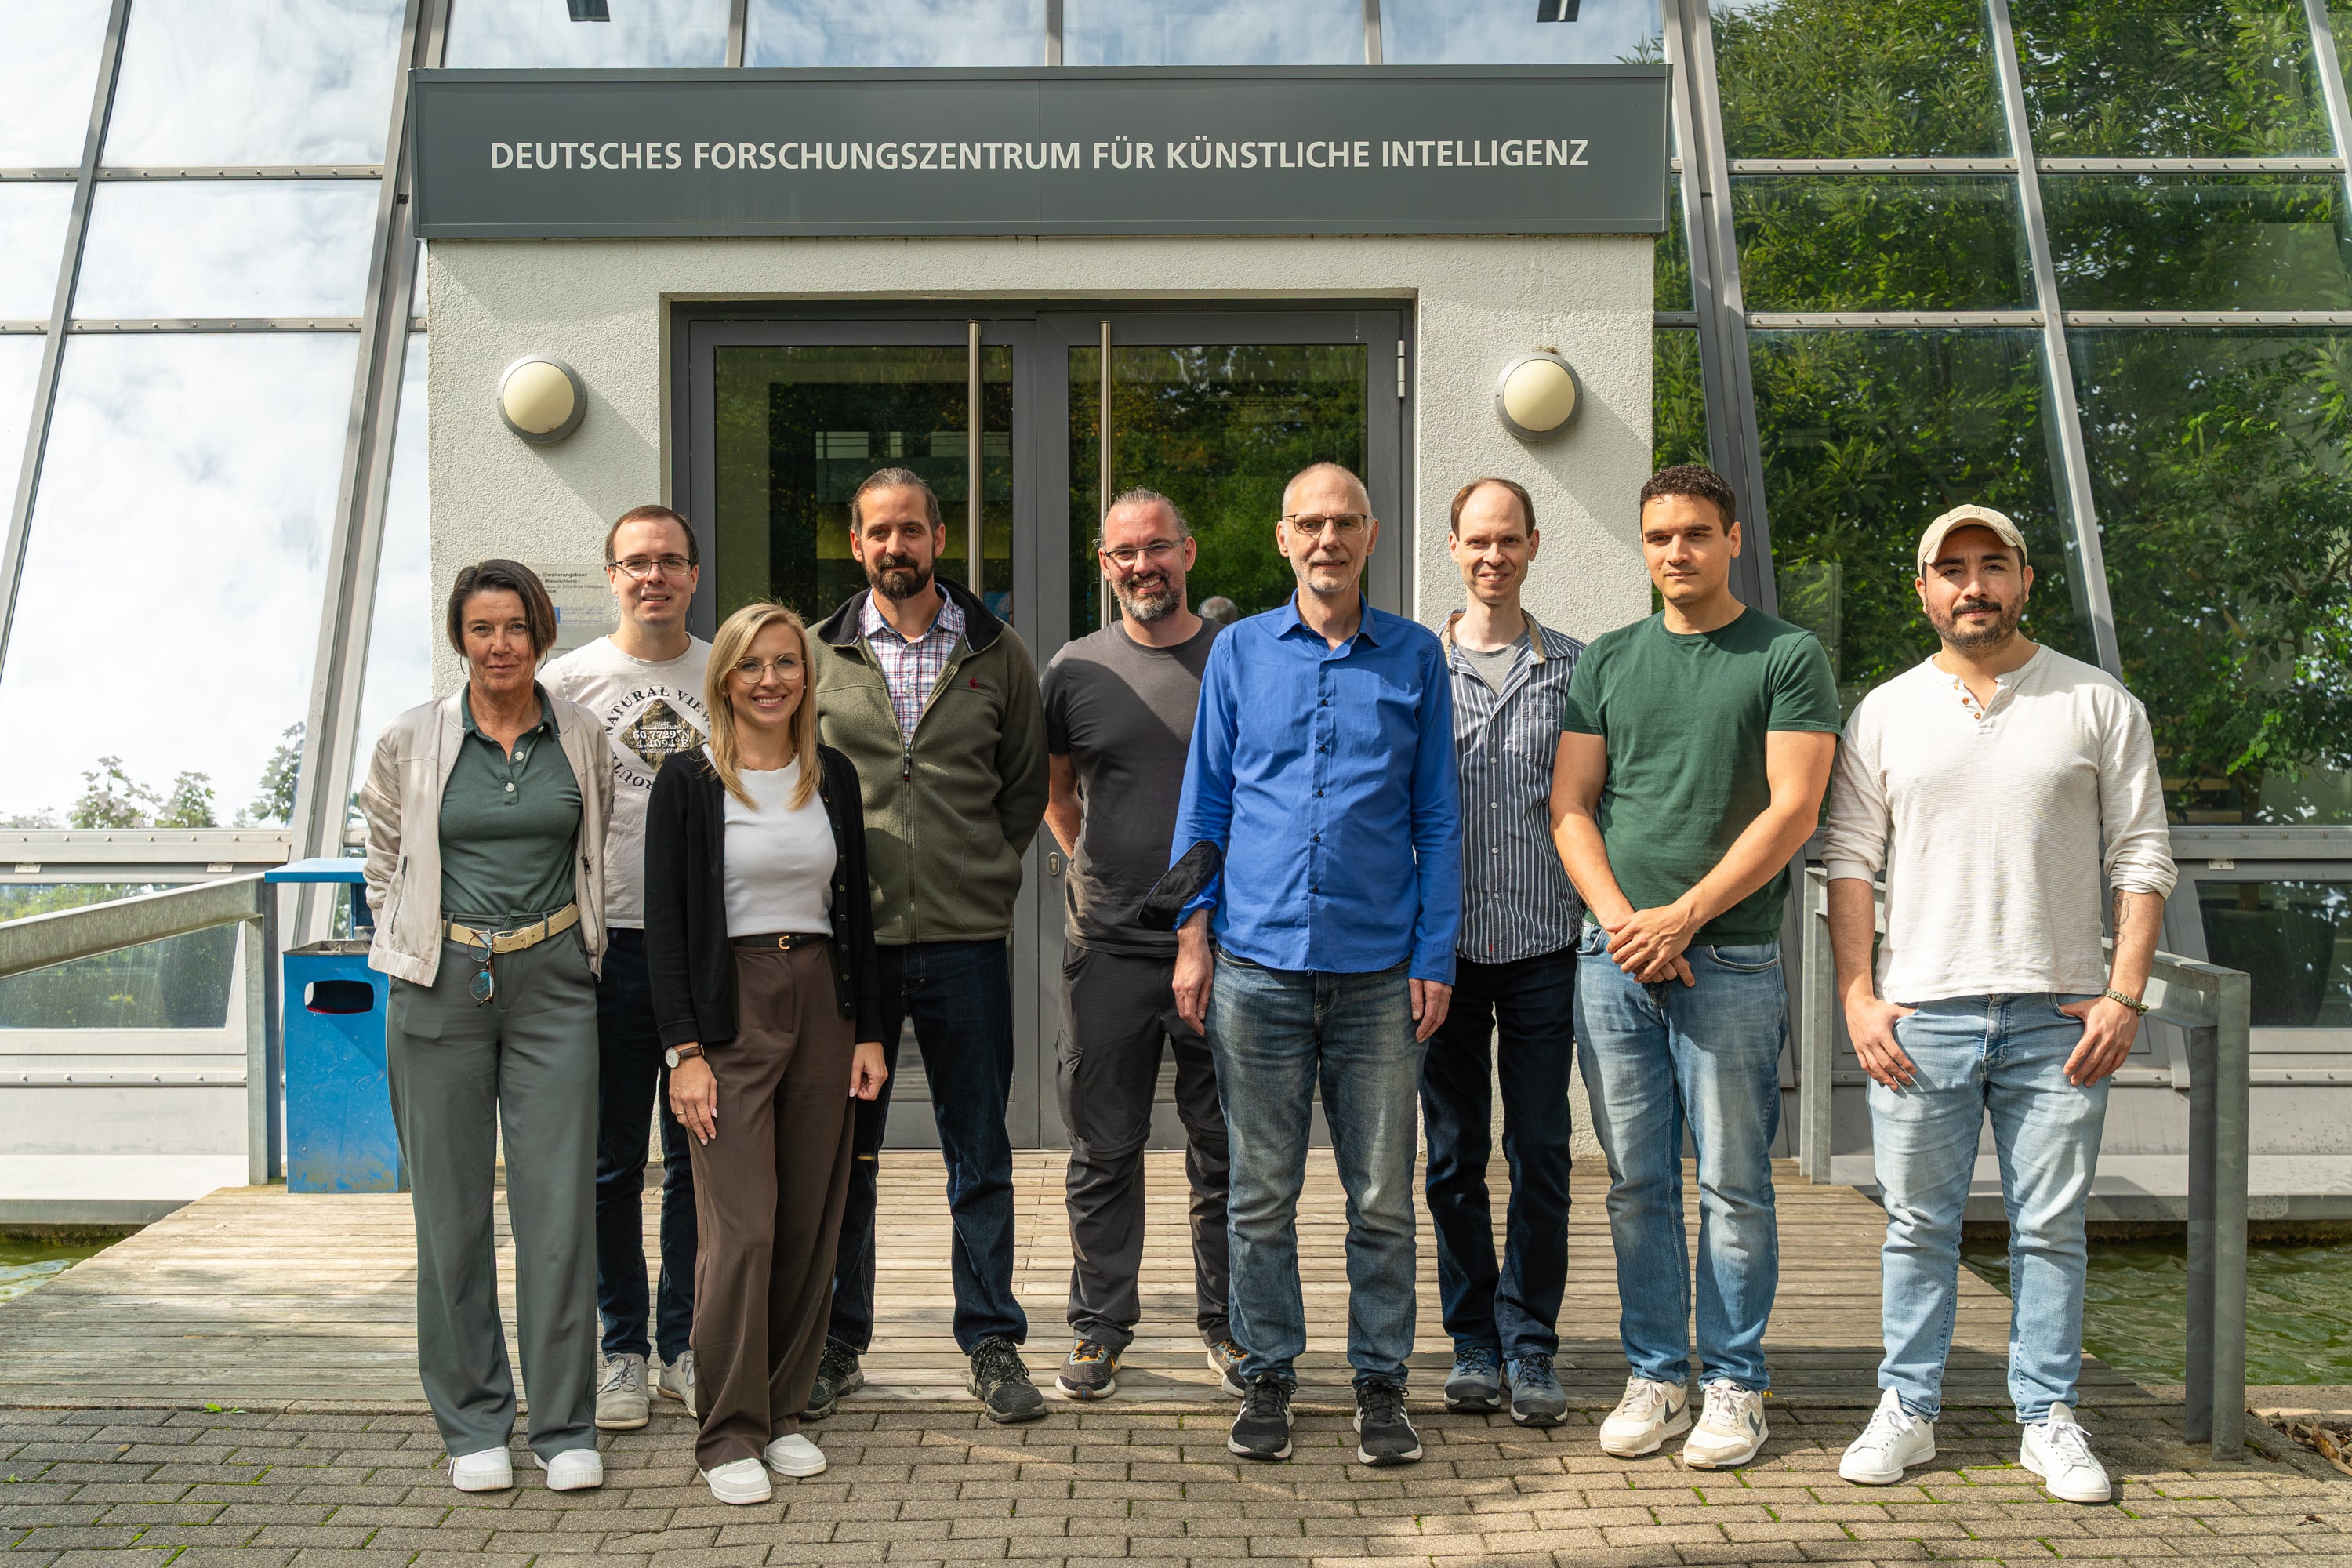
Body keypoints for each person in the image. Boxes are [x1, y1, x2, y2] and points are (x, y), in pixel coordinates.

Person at [1823, 506, 2172, 1504]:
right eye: (1951, 569)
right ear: (1923, 590)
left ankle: (2047, 1416)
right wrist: (1857, 995)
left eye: (1991, 566)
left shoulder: (2097, 701)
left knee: (2051, 1229)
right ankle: (1908, 1407)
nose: (1972, 585)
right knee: (1916, 1226)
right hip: (1921, 1014)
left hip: (2059, 1014)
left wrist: (2125, 993)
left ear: (2024, 579)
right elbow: (1849, 860)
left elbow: (2142, 854)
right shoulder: (1883, 711)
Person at [1153, 460, 1461, 1468]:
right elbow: (1205, 805)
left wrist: (1435, 952)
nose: (1328, 539)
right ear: (1283, 538)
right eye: (1309, 523)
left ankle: (1382, 1381)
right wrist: (1192, 934)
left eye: (1345, 522)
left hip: (1380, 971)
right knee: (1259, 1191)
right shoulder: (1239, 652)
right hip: (1257, 965)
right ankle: (1269, 1373)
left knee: (1381, 1196)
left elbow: (1437, 817)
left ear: (1371, 535)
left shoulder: (1416, 657)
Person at [1549, 463, 1839, 1470]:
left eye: (1696, 533)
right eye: (1660, 536)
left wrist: (1683, 916)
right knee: (1636, 1181)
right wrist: (1626, 922)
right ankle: (1657, 1373)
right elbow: (1571, 805)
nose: (1678, 550)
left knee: (1733, 1182)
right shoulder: (1609, 658)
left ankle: (1736, 1382)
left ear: (1732, 539)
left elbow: (1794, 809)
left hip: (1730, 957)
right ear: (1644, 547)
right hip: (1615, 959)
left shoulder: (1786, 654)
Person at [360, 560, 615, 1494]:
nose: (500, 644)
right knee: (451, 1215)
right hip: (440, 985)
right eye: (481, 628)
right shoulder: (411, 738)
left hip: (555, 986)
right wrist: (423, 941)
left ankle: (564, 1424)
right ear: (459, 638)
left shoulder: (580, 732)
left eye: (515, 626)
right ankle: (474, 1423)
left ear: (540, 634)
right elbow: (384, 861)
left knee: (558, 1211)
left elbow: (595, 845)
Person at [807, 467, 1051, 1424]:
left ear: (939, 538)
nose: (894, 545)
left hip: (965, 942)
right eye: (878, 531)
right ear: (856, 543)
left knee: (978, 1150)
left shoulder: (998, 650)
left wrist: (979, 869)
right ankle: (837, 1342)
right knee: (845, 1153)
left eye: (910, 528)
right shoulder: (820, 652)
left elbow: (1023, 788)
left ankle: (990, 1339)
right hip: (852, 945)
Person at [642, 601, 890, 1504]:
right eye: (751, 664)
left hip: (822, 1001)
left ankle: (781, 1409)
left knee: (808, 1220)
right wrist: (684, 1050)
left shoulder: (834, 776)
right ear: (725, 678)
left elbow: (855, 911)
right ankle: (727, 1430)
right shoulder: (688, 780)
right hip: (729, 1010)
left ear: (806, 676)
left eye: (786, 662)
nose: (770, 679)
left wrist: (868, 1028)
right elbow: (666, 924)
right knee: (741, 1226)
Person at [1040, 488, 1239, 1402]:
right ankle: (1099, 1329)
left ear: (1187, 552)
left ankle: (1228, 1326)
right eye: (1124, 552)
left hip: (1226, 945)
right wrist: (1097, 869)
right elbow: (1057, 791)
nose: (1141, 565)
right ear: (1104, 563)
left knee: (1225, 1149)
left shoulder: (1235, 658)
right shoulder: (1074, 669)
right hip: (1110, 948)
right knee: (1103, 1147)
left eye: (1157, 547)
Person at [542, 503, 711, 1430]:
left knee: (696, 1160)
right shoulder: (567, 683)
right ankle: (623, 1349)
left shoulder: (725, 671)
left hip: (705, 950)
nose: (655, 576)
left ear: (693, 574)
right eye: (637, 562)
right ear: (611, 576)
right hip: (603, 949)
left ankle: (682, 1344)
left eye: (671, 561)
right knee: (612, 1164)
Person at [1425, 477, 1584, 1428]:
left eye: (1508, 539)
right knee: (1453, 1155)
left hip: (1542, 946)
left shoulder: (1575, 668)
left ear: (1532, 545)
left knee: (1541, 1152)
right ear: (1452, 547)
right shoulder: (1417, 666)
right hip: (1441, 954)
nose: (1493, 555)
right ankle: (1472, 1339)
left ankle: (1530, 1341)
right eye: (1477, 539)